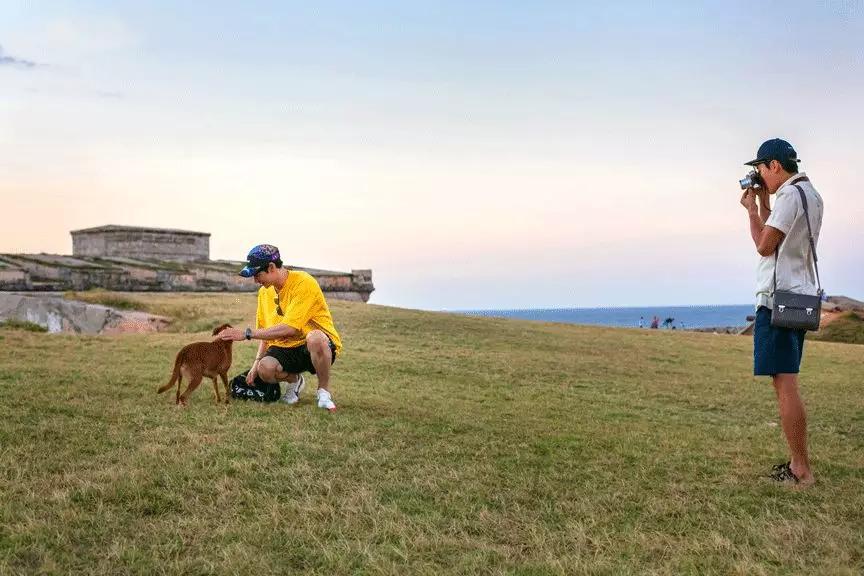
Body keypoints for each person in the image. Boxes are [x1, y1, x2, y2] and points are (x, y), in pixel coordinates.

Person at [739, 138, 823, 486]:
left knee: (785, 384)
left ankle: (800, 469)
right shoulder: (810, 194)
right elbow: (781, 237)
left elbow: (765, 246)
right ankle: (796, 463)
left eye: (760, 168)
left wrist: (751, 211)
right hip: (798, 296)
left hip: (777, 300)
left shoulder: (789, 195)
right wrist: (763, 203)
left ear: (774, 165)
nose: (759, 176)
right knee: (787, 379)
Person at [219, 244, 343, 411]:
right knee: (265, 369)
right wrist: (256, 366)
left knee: (315, 338)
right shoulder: (264, 293)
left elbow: (290, 328)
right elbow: (265, 332)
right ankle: (294, 381)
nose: (255, 280)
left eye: (257, 274)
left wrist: (246, 334)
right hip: (285, 347)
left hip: (314, 345)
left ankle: (323, 393)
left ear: (271, 267)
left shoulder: (304, 283)